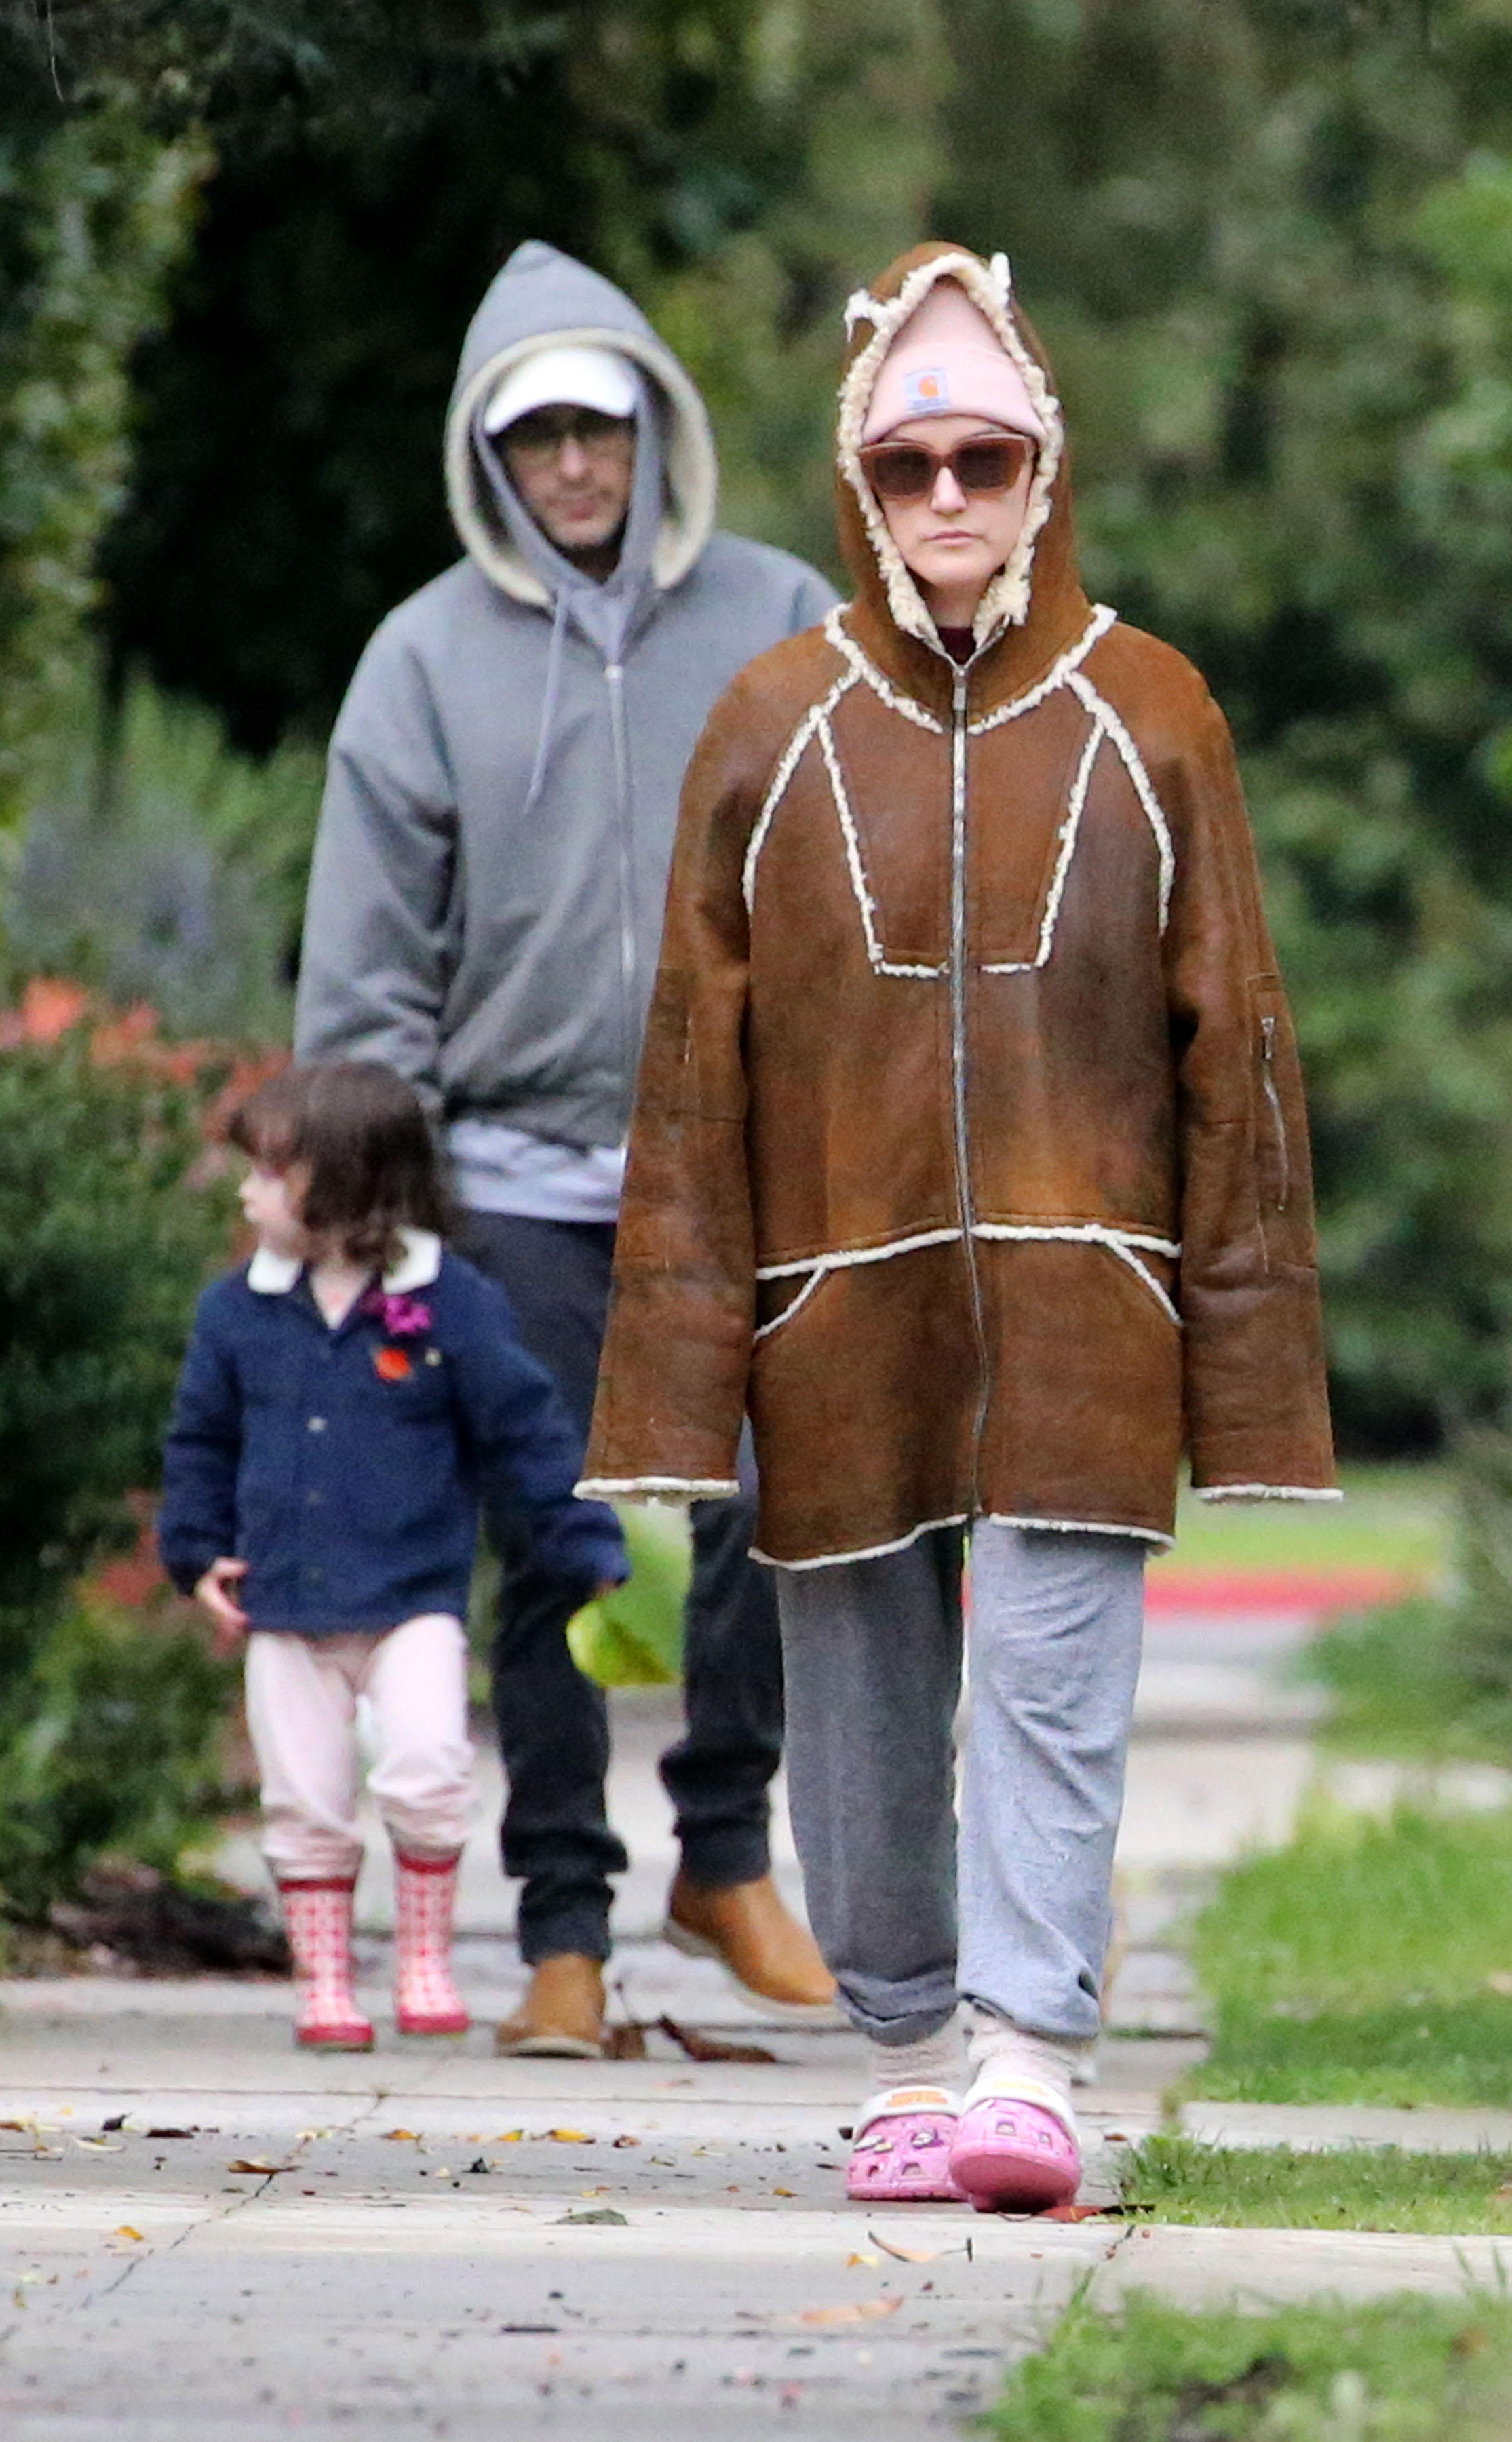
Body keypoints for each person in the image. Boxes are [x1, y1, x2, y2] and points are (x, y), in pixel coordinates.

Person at [580, 244, 1337, 2209]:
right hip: (837, 1303)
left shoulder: (1159, 715)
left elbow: (1234, 1054)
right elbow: (691, 1081)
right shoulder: (766, 723)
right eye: (908, 463)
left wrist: (1250, 1386)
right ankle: (909, 2051)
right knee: (857, 1701)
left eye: (983, 460)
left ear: (1044, 469)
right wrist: (674, 1390)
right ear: (858, 479)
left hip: (1094, 1293)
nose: (945, 500)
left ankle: (1028, 2061)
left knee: (1056, 1685)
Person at [295, 240, 842, 2056]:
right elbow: (365, 973)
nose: (574, 469)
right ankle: (563, 1934)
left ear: (651, 429)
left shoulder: (775, 616)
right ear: (493, 454)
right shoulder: (421, 660)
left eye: (599, 429)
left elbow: (855, 904)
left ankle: (724, 1852)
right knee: (556, 1546)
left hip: (734, 1172)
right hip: (506, 1181)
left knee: (761, 1511)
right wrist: (368, 1214)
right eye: (536, 441)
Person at [157, 1061, 626, 2053]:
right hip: (284, 1603)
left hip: (414, 1598)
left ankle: (424, 1958)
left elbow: (525, 1431)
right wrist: (198, 1551)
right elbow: (200, 1443)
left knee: (425, 1769)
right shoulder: (236, 1311)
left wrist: (583, 1536)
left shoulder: (449, 1303)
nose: (246, 1192)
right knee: (306, 1796)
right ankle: (323, 1980)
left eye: (268, 1174)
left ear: (348, 1182)